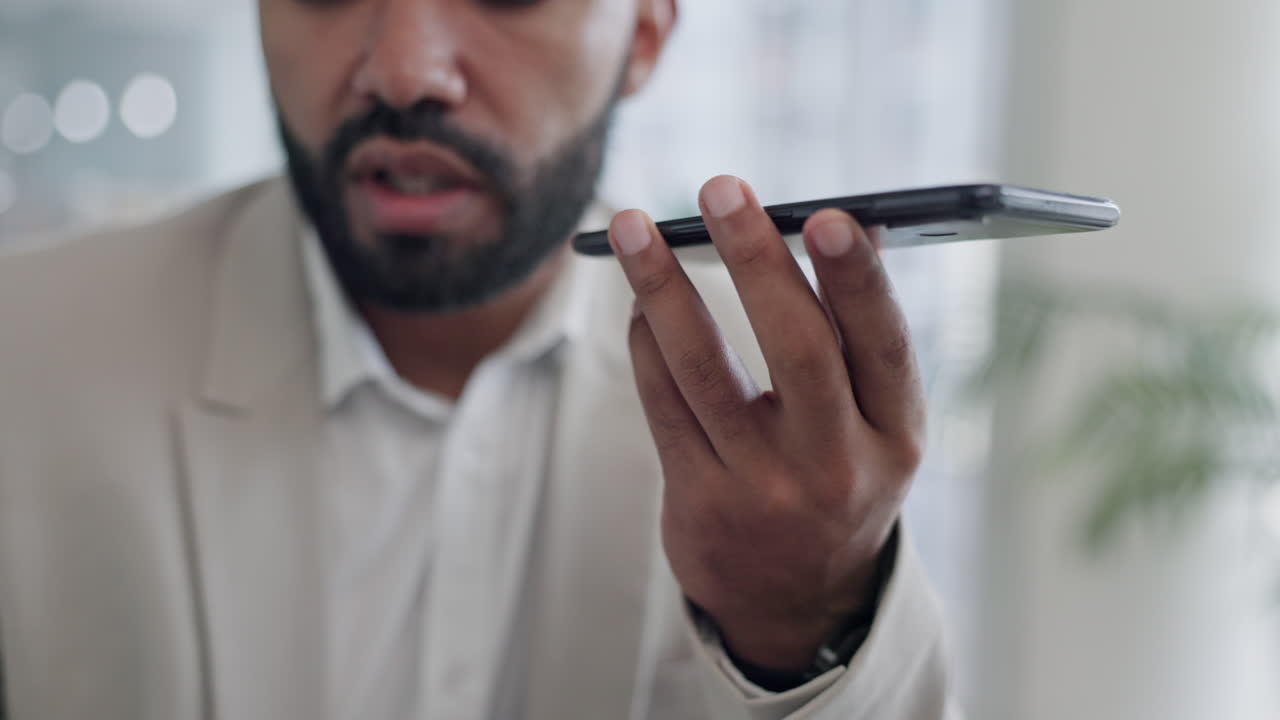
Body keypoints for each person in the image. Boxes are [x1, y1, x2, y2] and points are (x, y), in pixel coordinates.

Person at [0, 0, 958, 717]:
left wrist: (804, 625)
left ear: (646, 35)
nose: (406, 71)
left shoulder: (800, 434)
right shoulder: (27, 351)